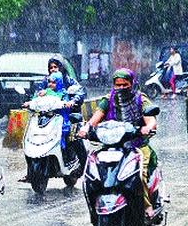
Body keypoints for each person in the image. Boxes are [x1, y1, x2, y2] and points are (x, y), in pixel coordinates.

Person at [78, 68, 157, 218]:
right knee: (93, 172)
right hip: (112, 144)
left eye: (125, 84)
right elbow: (95, 118)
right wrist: (85, 129)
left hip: (137, 144)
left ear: (132, 83)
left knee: (140, 174)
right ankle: (95, 208)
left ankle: (146, 205)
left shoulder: (141, 99)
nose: (121, 88)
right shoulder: (108, 100)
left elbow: (151, 119)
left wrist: (147, 127)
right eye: (118, 85)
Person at [19, 71, 77, 182]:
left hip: (60, 118)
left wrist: (67, 103)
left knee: (64, 133)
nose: (51, 84)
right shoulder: (44, 92)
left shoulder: (63, 93)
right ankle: (29, 171)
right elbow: (36, 100)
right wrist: (29, 103)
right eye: (49, 82)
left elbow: (66, 103)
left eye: (54, 83)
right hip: (44, 118)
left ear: (59, 83)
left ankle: (65, 158)